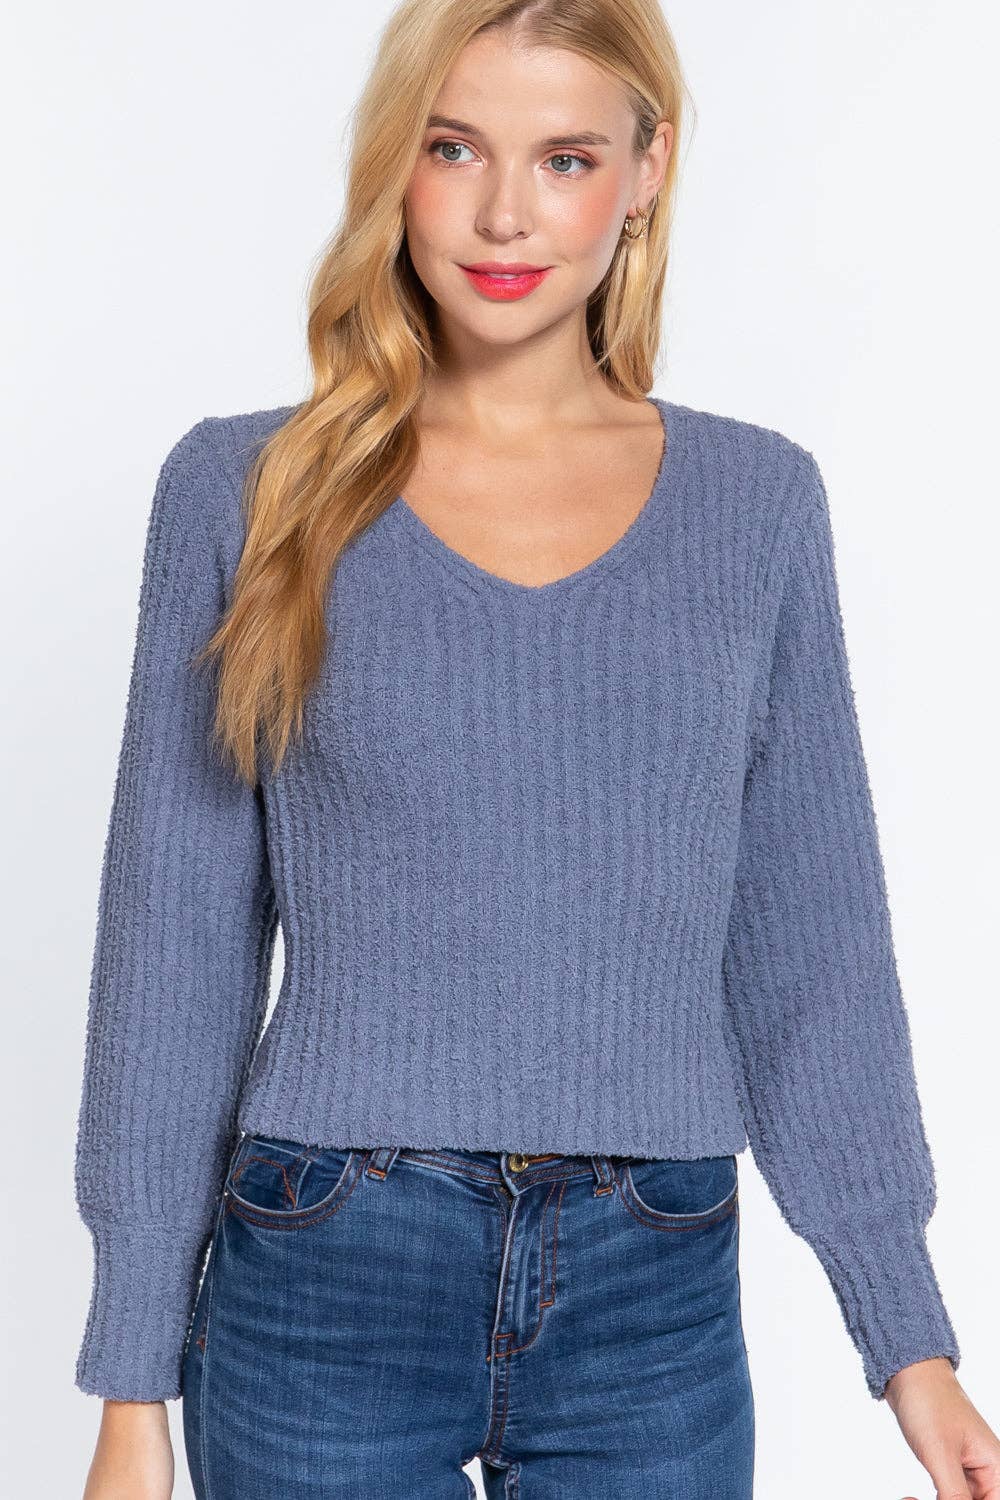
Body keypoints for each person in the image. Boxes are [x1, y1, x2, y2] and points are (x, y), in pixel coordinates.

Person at [75, 2, 998, 1498]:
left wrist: (910, 1342)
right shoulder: (246, 491)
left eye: (564, 157)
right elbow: (171, 955)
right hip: (327, 1265)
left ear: (647, 170)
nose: (505, 213)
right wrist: (132, 1387)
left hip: (654, 1281)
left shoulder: (756, 507)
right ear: (395, 165)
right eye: (454, 149)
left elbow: (811, 944)